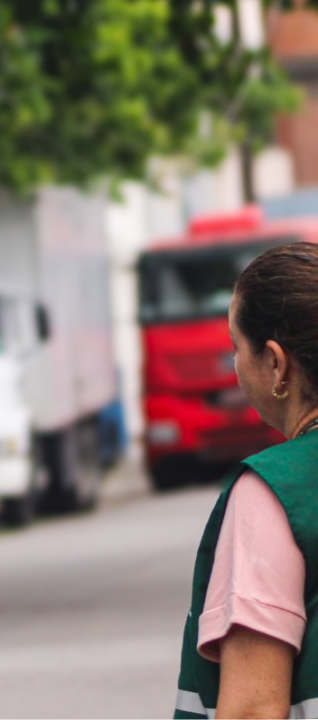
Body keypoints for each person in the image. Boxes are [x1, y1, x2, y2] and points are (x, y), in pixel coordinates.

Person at [176, 241, 318, 719]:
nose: (234, 364)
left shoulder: (275, 493)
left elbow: (253, 710)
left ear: (276, 364)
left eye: (236, 347)